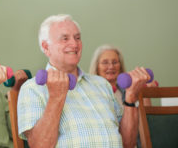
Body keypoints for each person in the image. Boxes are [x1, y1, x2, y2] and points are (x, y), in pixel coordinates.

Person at [17, 14, 150, 148]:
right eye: (65, 38)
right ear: (46, 47)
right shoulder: (32, 88)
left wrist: (131, 97)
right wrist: (56, 97)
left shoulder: (102, 84)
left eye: (77, 38)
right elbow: (40, 146)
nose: (74, 44)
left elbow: (128, 143)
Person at [89, 44, 157, 107]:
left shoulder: (127, 91)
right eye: (105, 62)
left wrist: (145, 92)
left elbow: (145, 117)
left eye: (115, 62)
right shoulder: (89, 92)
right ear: (96, 67)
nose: (111, 66)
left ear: (120, 66)